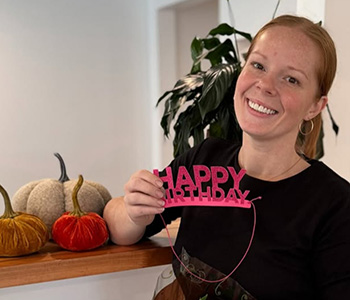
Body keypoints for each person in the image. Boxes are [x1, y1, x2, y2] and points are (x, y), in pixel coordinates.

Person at [103, 14, 350, 299]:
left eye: (291, 79)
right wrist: (134, 211)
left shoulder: (336, 206)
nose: (265, 85)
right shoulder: (204, 160)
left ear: (315, 107)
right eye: (258, 65)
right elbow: (119, 226)